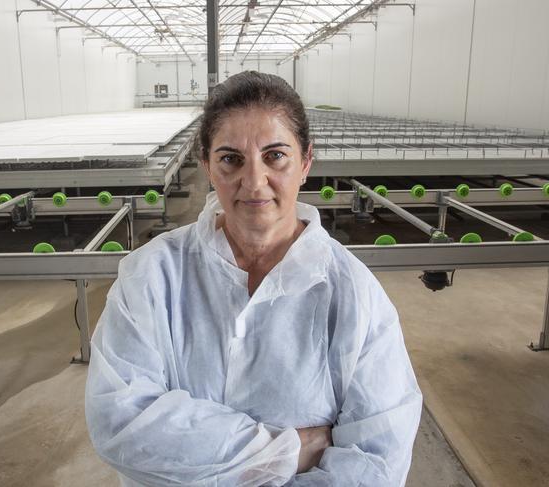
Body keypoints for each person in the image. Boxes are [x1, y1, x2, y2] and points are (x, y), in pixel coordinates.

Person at [85, 71, 422, 486]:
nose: (254, 181)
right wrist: (290, 451)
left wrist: (193, 450)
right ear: (207, 166)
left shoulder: (354, 292)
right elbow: (122, 424)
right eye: (231, 159)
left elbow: (377, 460)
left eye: (275, 155)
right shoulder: (152, 276)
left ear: (306, 162)